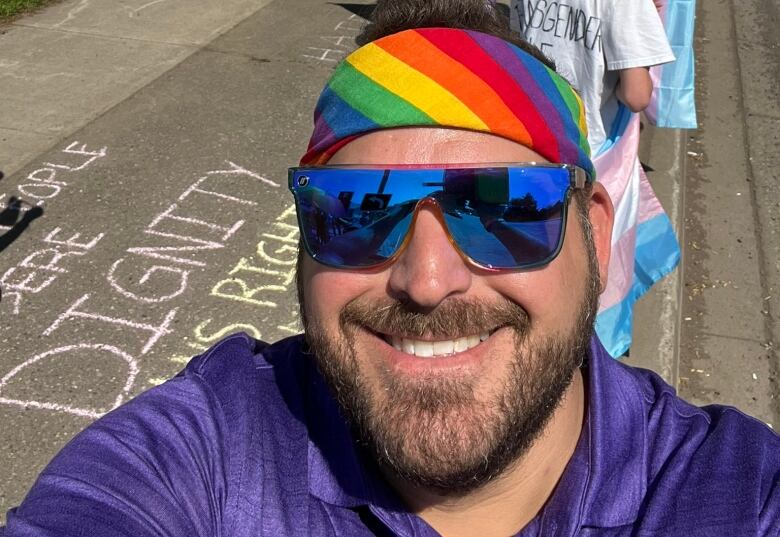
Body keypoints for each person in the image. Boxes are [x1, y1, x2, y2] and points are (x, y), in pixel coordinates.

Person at [3, 1, 779, 536]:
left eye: (506, 205)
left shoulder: (731, 490)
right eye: (358, 209)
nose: (427, 279)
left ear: (596, 233)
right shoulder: (203, 453)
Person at [510, 0, 682, 357]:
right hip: (590, 145)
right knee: (589, 248)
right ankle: (588, 347)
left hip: (534, 128)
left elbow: (516, 41)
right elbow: (637, 95)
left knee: (542, 239)